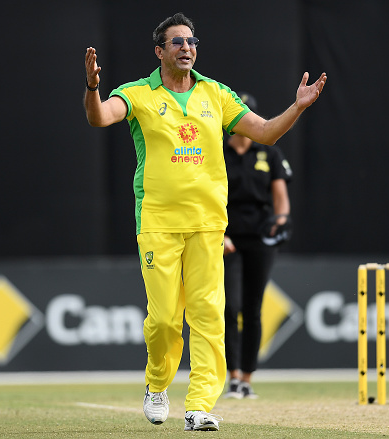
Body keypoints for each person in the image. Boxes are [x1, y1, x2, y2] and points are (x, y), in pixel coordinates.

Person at [83, 12, 326, 432]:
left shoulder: (216, 94)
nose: (186, 47)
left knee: (210, 316)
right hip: (158, 222)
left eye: (191, 41)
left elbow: (265, 132)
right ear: (159, 51)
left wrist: (298, 107)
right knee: (163, 319)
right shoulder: (139, 93)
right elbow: (100, 117)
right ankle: (157, 385)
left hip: (208, 224)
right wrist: (92, 88)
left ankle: (199, 404)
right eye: (176, 42)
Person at [221, 93, 293, 400]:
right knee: (229, 307)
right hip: (227, 238)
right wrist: (218, 234)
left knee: (252, 308)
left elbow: (280, 193)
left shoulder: (268, 152)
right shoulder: (217, 151)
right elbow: (207, 194)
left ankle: (247, 378)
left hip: (261, 237)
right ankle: (232, 375)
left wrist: (281, 219)